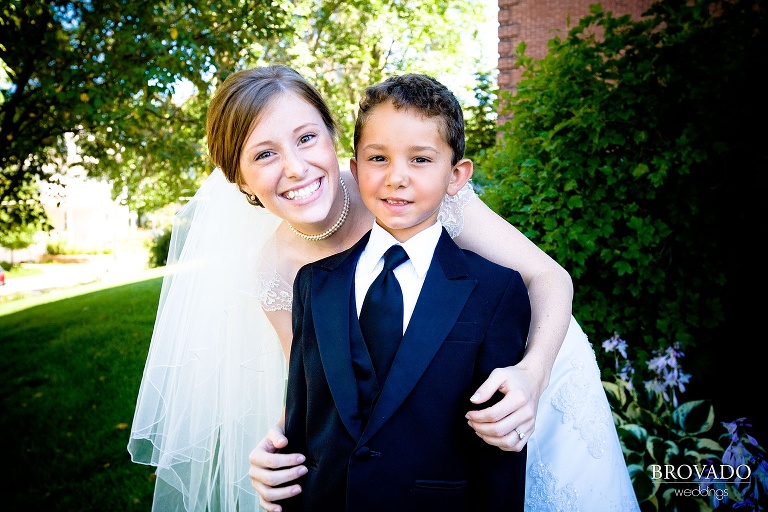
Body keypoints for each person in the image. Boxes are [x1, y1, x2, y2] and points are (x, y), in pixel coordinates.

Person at [126, 64, 616, 512]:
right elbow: (315, 381)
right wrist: (274, 447)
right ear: (241, 181)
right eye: (265, 154)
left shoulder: (402, 188)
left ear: (333, 137)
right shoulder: (277, 271)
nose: (295, 168)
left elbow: (547, 277)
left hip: (528, 367)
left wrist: (532, 375)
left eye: (306, 138)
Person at [279, 73, 531, 511]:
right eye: (378, 158)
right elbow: (303, 421)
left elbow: (500, 446)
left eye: (420, 160)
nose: (396, 177)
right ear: (354, 170)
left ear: (456, 175)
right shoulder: (313, 284)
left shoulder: (494, 290)